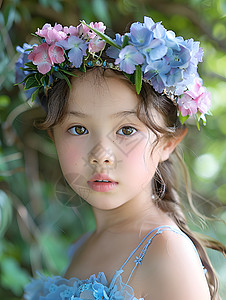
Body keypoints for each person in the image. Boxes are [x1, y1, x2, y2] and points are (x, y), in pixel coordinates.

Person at [15, 17, 225, 300]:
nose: (100, 155)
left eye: (127, 130)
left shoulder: (166, 252)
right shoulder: (83, 244)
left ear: (167, 143)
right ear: (54, 136)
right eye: (78, 129)